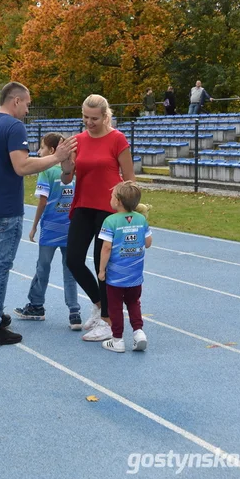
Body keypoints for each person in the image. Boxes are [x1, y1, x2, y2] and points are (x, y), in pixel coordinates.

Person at [0, 82, 76, 347]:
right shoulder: (14, 127)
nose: (27, 110)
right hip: (5, 207)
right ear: (15, 101)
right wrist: (57, 157)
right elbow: (22, 166)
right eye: (26, 104)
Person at [61, 94, 135, 342]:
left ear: (105, 116)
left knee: (101, 264)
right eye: (85, 117)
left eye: (94, 118)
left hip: (109, 209)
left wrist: (128, 212)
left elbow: (130, 179)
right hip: (82, 205)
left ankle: (108, 320)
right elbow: (66, 179)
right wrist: (66, 166)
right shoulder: (78, 140)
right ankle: (99, 303)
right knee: (72, 259)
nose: (89, 123)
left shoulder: (117, 138)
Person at [14, 133, 81, 329]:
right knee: (70, 271)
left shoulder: (47, 172)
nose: (38, 152)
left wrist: (34, 225)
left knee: (43, 268)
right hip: (70, 228)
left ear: (52, 151)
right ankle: (74, 312)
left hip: (51, 228)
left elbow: (43, 201)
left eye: (42, 148)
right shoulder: (73, 171)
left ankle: (36, 306)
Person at [98, 182, 152, 353]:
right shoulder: (141, 219)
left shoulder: (110, 221)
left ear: (118, 201)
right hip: (135, 274)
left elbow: (106, 248)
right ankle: (138, 332)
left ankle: (118, 339)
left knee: (115, 307)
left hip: (116, 276)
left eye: (112, 196)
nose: (110, 198)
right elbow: (148, 243)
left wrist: (101, 270)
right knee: (134, 303)